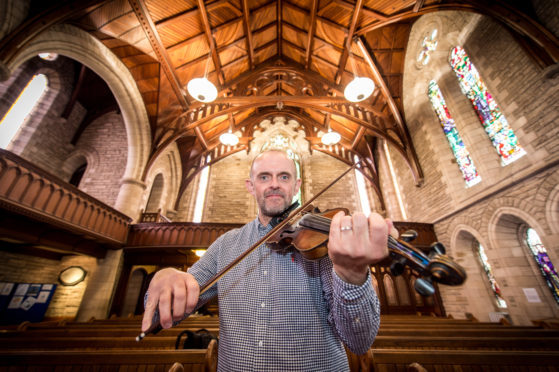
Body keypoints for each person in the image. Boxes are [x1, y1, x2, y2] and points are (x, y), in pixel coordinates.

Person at [142, 149, 394, 371]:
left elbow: (359, 342)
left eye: (283, 177)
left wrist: (351, 275)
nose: (274, 184)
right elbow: (164, 312)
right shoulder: (226, 245)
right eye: (264, 177)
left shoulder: (324, 247)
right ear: (251, 186)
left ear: (296, 186)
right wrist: (166, 278)